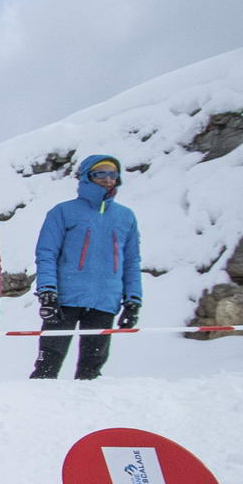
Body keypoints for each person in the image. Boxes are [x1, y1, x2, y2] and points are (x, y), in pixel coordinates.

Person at [30, 154, 142, 381]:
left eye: (112, 174)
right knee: (47, 365)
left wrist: (133, 299)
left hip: (105, 300)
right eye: (101, 173)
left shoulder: (125, 217)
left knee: (91, 370)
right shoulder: (62, 212)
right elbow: (46, 253)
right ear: (87, 176)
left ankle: (85, 413)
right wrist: (47, 290)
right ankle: (36, 410)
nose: (107, 179)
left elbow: (131, 261)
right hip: (65, 299)